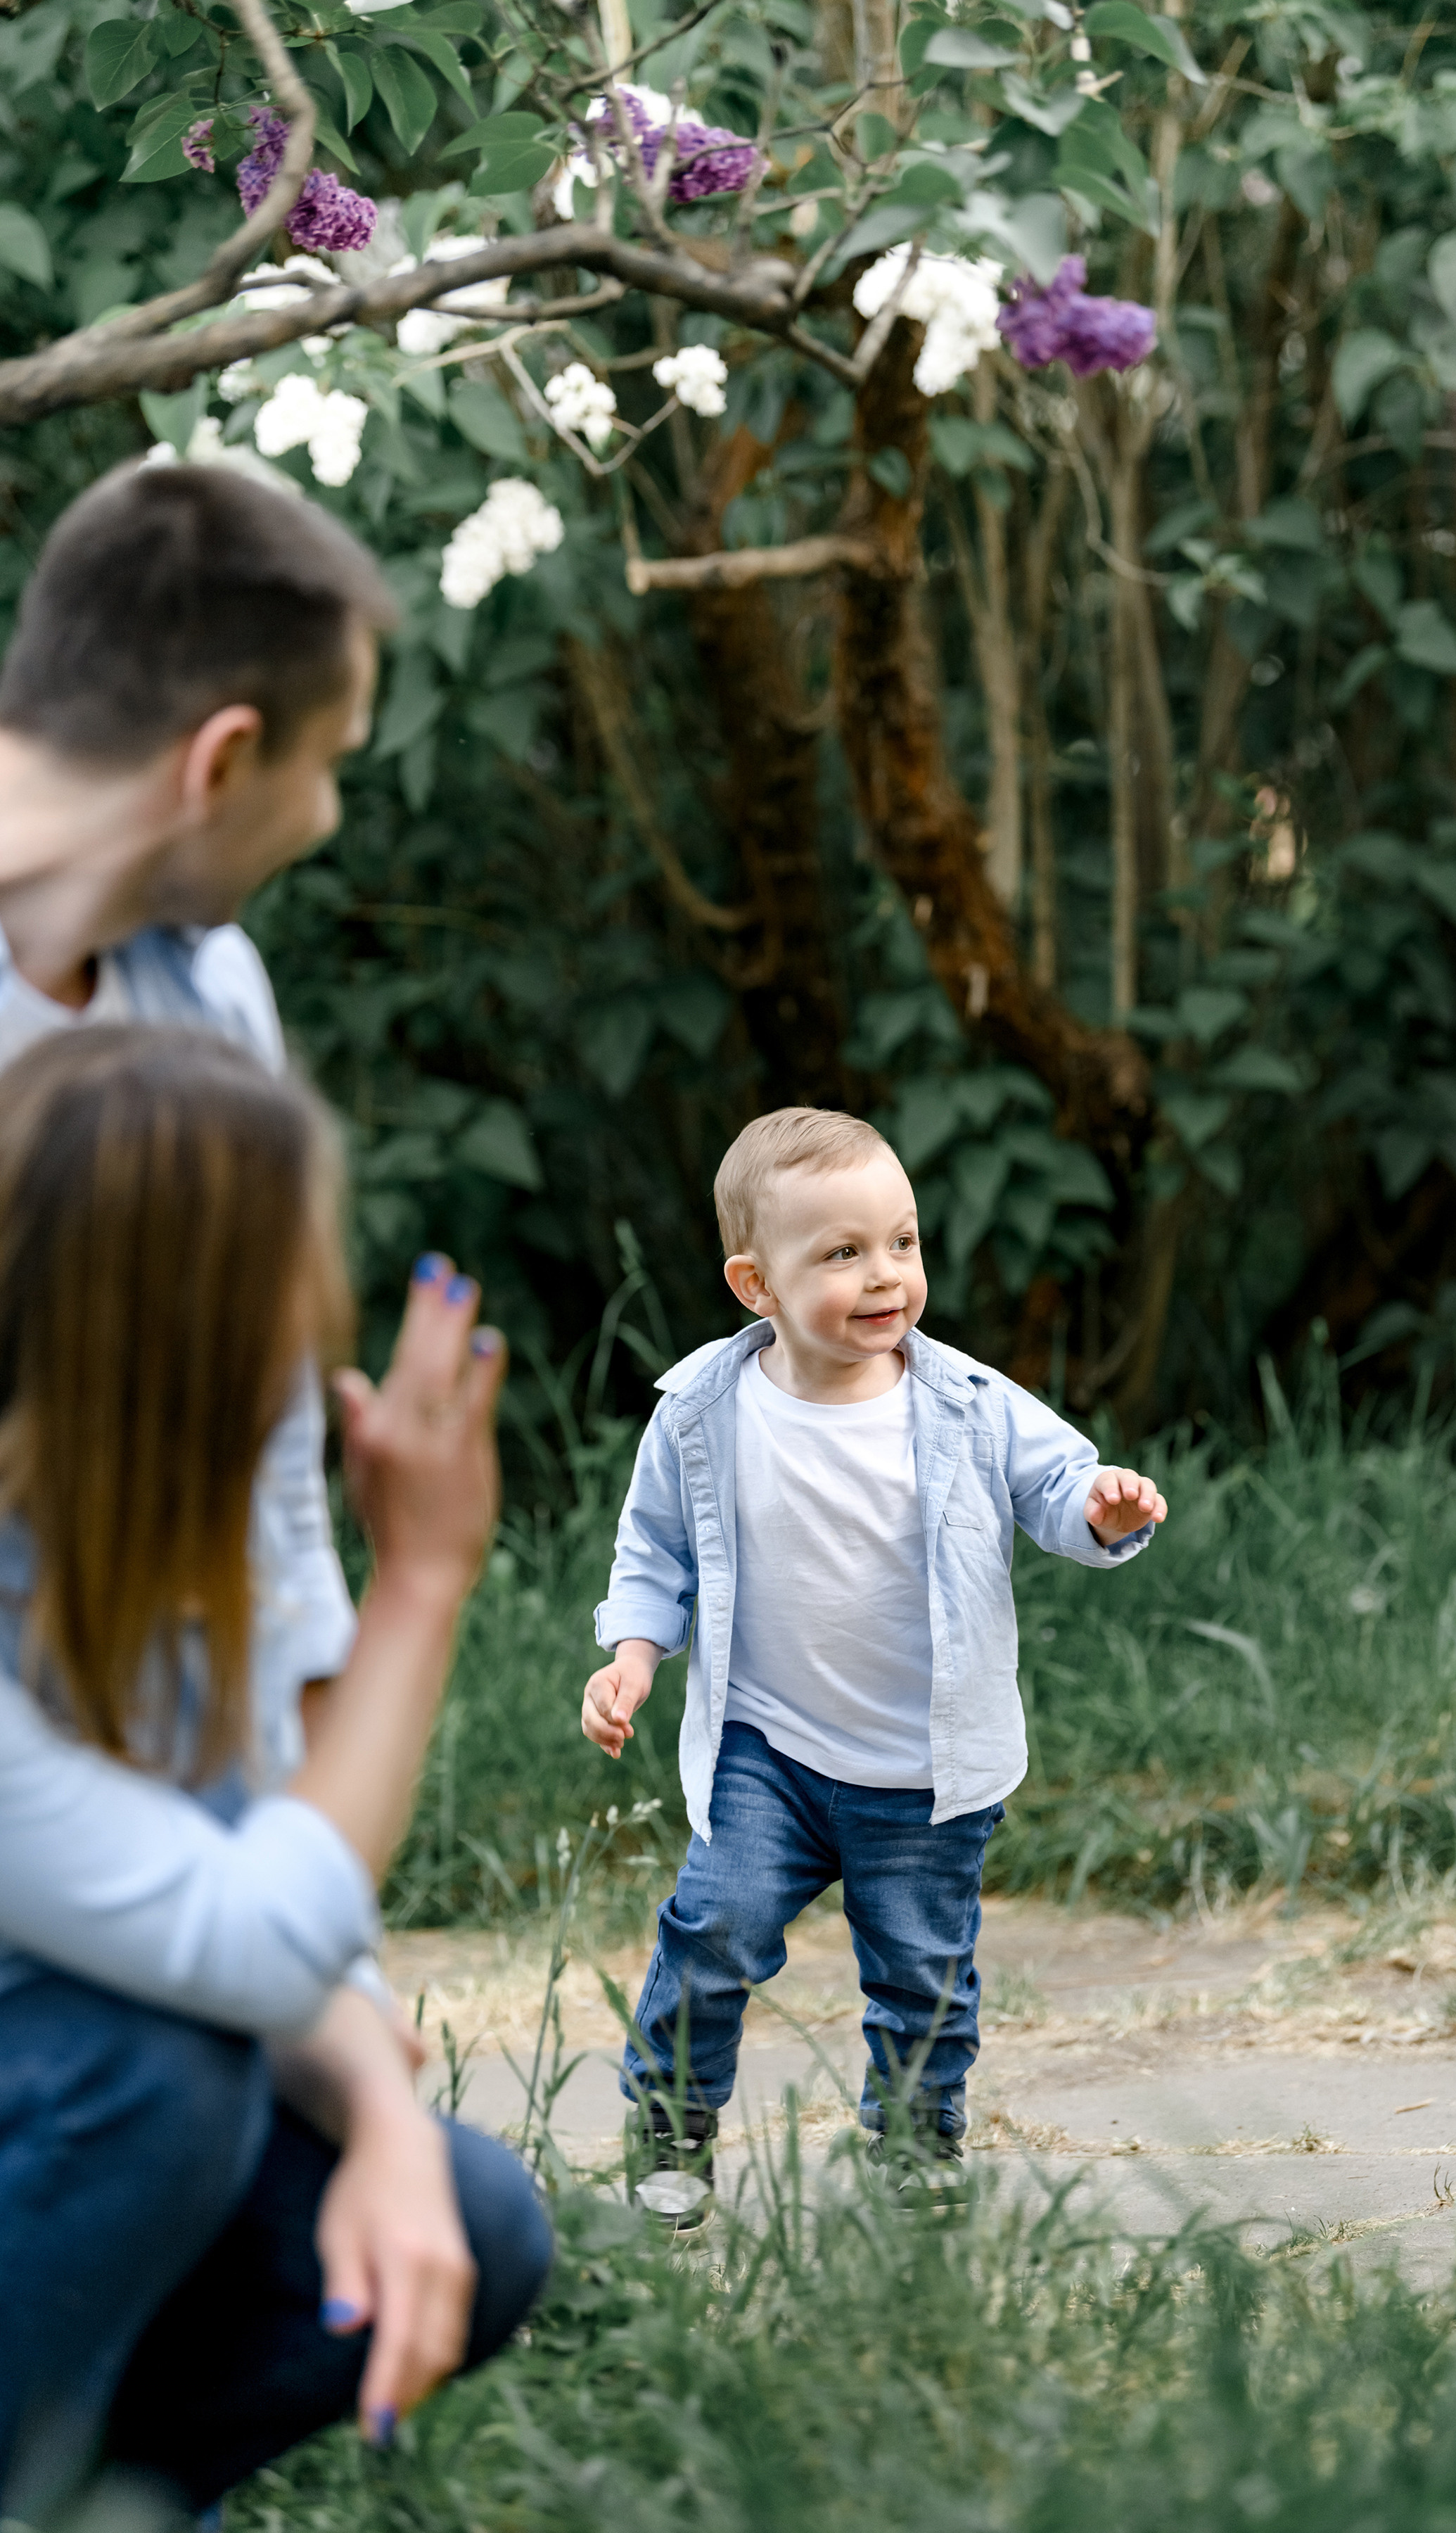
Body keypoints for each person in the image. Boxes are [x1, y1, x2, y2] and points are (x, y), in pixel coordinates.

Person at [0, 464, 537, 2501]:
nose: (326, 819)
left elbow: (251, 1504)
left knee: (450, 2214)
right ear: (224, 755)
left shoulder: (194, 984)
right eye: (327, 768)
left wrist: (359, 2051)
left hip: (101, 1817)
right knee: (158, 2076)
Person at [580, 1106, 1170, 2223]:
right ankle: (670, 2130)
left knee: (922, 1978)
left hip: (924, 1766)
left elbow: (1056, 1486)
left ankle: (913, 2150)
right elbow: (654, 1549)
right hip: (769, 1752)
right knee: (713, 1932)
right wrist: (634, 1657)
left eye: (901, 1242)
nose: (885, 1275)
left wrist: (1100, 1508)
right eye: (842, 1254)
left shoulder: (967, 1402)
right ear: (755, 1285)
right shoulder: (705, 1409)